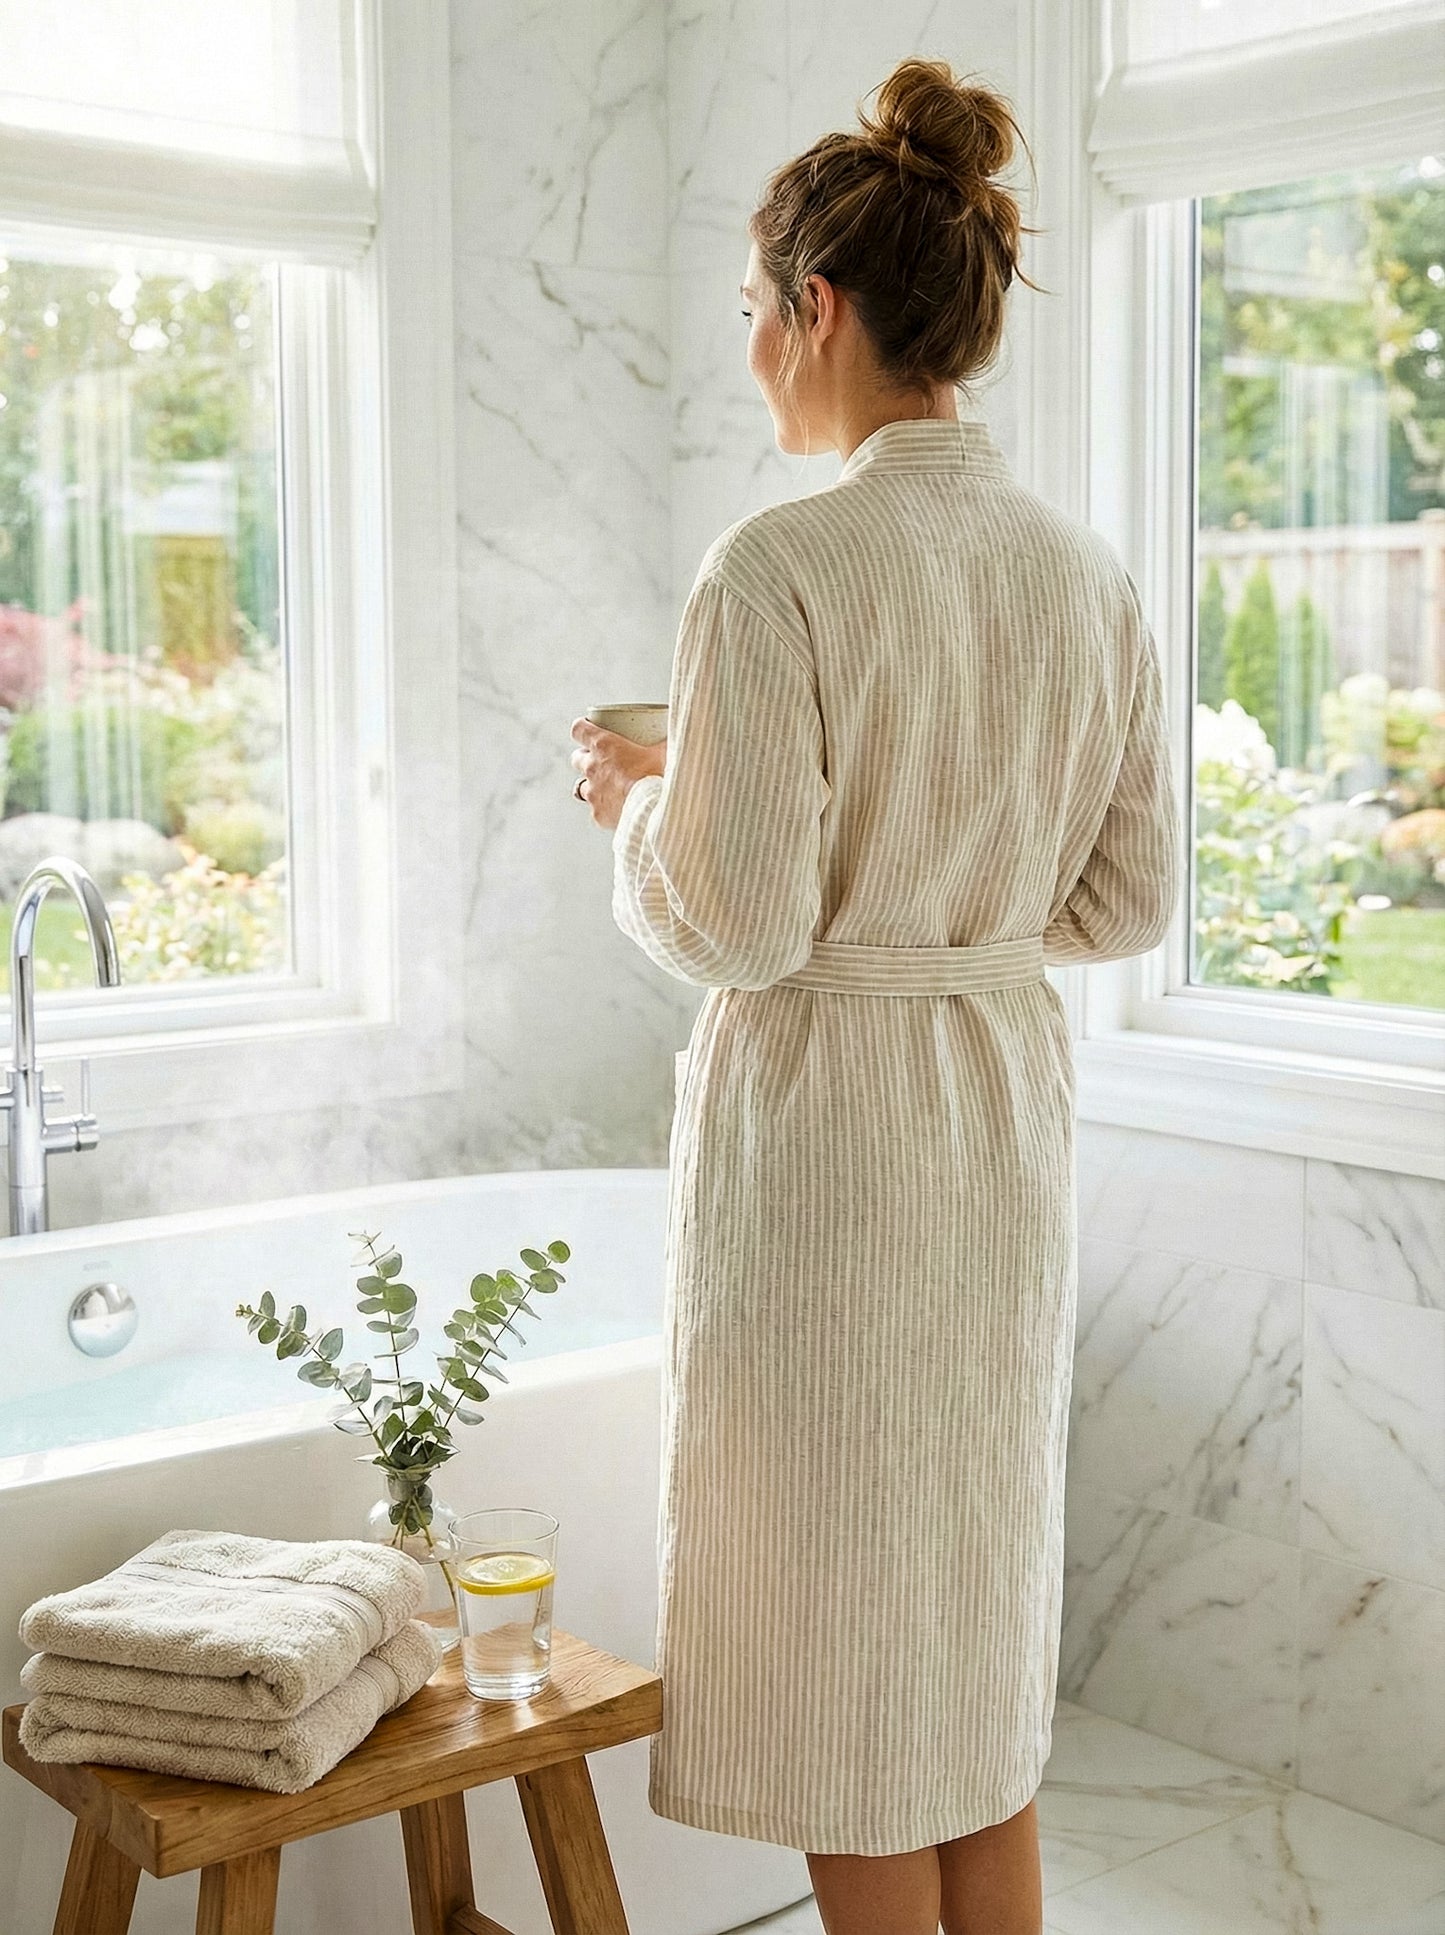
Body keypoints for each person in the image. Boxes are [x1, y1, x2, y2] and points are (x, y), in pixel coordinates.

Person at [569, 55, 1180, 1935]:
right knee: (955, 1660)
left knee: (847, 1685)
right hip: (995, 1120)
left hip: (832, 1147)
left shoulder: (779, 567)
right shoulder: (1079, 575)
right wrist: (951, 920)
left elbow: (736, 928)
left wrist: (639, 803)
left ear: (814, 307)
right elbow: (1128, 894)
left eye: (755, 313)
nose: (750, 353)